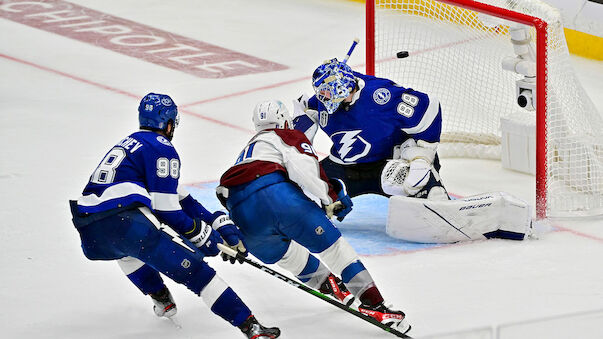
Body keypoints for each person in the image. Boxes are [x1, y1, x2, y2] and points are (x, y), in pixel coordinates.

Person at [69, 93, 279, 339]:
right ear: (168, 123)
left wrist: (217, 223)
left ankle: (160, 297)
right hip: (125, 222)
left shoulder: (131, 144)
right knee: (197, 272)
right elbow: (167, 209)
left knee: (127, 252)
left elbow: (183, 200)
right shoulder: (162, 147)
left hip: (90, 232)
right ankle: (250, 326)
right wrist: (202, 236)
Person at [216, 100, 411, 334]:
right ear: (283, 120)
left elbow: (222, 193)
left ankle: (325, 283)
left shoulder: (246, 152)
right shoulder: (287, 135)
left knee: (287, 255)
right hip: (277, 198)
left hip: (242, 215)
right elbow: (304, 168)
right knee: (334, 249)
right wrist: (330, 198)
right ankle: (375, 304)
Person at [292, 57, 449, 201]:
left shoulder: (381, 96)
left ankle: (433, 196)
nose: (323, 97)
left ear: (342, 88)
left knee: (422, 188)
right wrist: (298, 126)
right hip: (346, 168)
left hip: (389, 164)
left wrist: (420, 157)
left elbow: (429, 109)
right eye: (321, 93)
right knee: (306, 191)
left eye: (327, 92)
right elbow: (308, 111)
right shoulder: (324, 100)